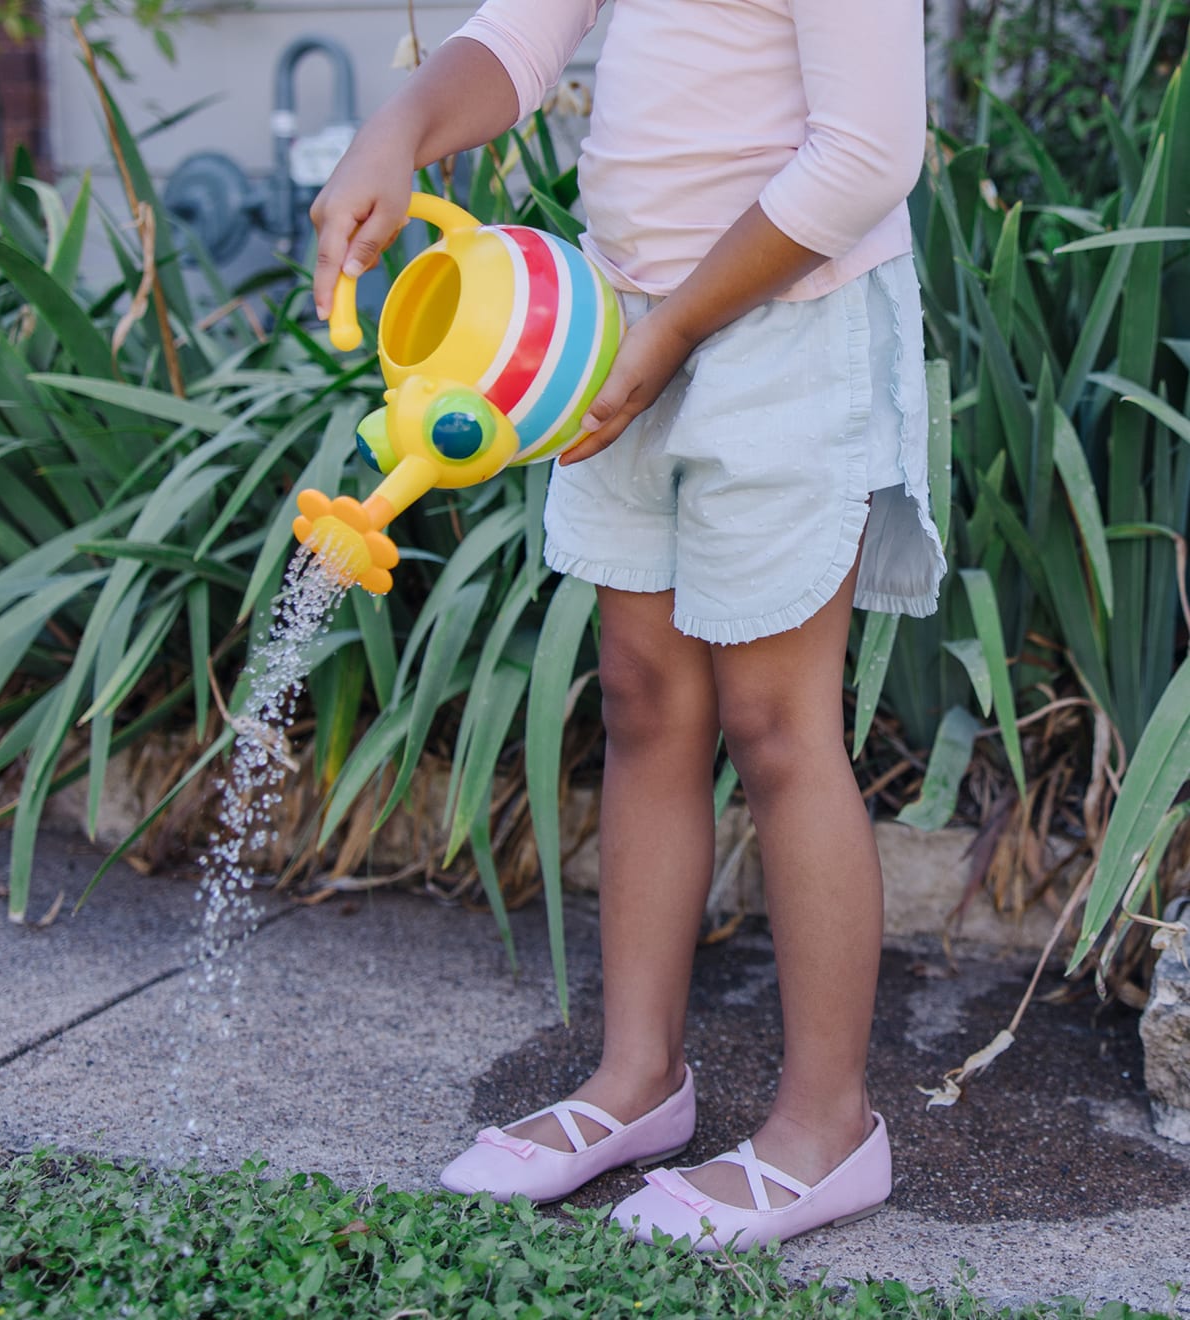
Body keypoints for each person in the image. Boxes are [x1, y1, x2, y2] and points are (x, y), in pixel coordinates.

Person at [309, 0, 946, 1253]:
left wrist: (676, 328)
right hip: (618, 315)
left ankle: (828, 1129)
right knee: (645, 697)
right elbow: (525, 36)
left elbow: (870, 151)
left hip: (787, 317)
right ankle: (636, 1082)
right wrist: (398, 131)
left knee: (775, 724)